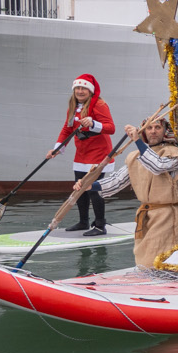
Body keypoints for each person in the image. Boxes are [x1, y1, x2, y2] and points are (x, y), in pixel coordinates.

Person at [49, 74, 114, 235]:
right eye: (77, 88)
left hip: (99, 153)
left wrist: (93, 123)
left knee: (93, 189)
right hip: (82, 153)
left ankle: (100, 225)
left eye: (83, 88)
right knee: (79, 188)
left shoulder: (99, 104)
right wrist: (57, 149)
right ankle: (83, 221)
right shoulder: (73, 106)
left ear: (90, 91)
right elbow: (67, 129)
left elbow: (110, 128)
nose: (80, 91)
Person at [122, 112, 178, 268]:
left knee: (163, 259)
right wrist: (90, 185)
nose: (153, 131)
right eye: (149, 128)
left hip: (166, 216)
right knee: (144, 259)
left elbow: (158, 166)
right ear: (144, 132)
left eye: (157, 127)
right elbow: (118, 181)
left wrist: (137, 141)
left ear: (164, 131)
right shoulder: (135, 156)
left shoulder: (175, 153)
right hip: (146, 215)